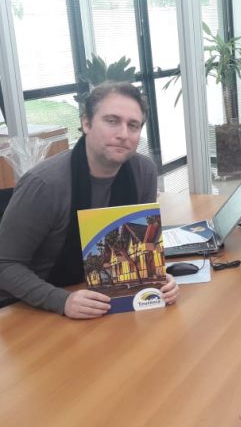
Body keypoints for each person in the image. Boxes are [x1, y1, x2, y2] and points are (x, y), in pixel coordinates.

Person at [0, 82, 179, 318]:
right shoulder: (44, 184)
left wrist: (155, 278)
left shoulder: (143, 172)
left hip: (96, 293)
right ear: (86, 123)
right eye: (112, 121)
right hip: (30, 305)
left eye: (133, 125)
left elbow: (135, 247)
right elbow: (5, 264)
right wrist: (62, 301)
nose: (123, 134)